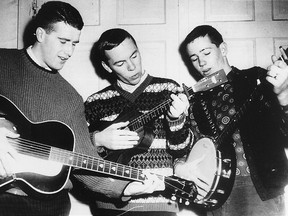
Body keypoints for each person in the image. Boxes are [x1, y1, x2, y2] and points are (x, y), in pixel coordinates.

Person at [0, 2, 149, 216]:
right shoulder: (3, 62)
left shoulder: (70, 98)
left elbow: (85, 162)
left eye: (74, 43)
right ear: (41, 34)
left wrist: (125, 188)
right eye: (63, 41)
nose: (69, 51)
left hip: (51, 206)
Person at [176, 25, 288, 216]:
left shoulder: (256, 79)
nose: (201, 62)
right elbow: (187, 148)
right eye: (194, 58)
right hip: (215, 191)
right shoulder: (194, 99)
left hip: (260, 186)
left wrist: (284, 95)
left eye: (206, 53)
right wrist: (180, 165)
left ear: (223, 49)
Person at [84, 28, 194, 216]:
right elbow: (81, 154)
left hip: (160, 204)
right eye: (120, 63)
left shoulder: (169, 90)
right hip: (110, 206)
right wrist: (97, 139)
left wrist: (176, 120)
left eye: (134, 56)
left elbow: (183, 150)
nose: (132, 67)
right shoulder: (95, 102)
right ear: (107, 67)